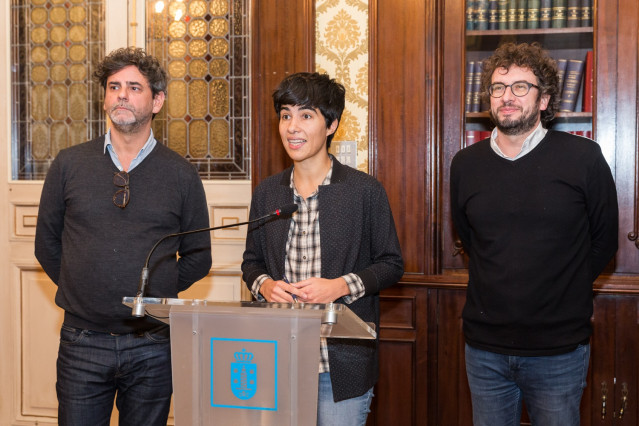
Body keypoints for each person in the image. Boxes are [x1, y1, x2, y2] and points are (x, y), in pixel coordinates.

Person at [34, 47, 212, 426]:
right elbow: (46, 243)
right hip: (82, 340)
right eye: (114, 86)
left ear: (157, 100)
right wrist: (83, 289)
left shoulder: (181, 174)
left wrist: (157, 289)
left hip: (152, 345)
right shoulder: (68, 164)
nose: (121, 95)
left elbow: (199, 255)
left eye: (134, 87)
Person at [450, 42, 618, 426]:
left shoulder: (584, 158)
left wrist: (562, 287)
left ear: (544, 100)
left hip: (558, 349)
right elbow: (471, 240)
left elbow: (604, 241)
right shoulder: (465, 164)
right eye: (498, 87)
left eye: (521, 87)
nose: (507, 97)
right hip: (484, 349)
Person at [241, 72, 404, 426]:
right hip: (278, 356)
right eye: (285, 115)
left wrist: (340, 286)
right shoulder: (268, 193)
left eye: (305, 115)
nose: (292, 127)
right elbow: (250, 263)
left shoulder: (364, 191)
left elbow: (392, 264)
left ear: (331, 125)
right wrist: (265, 286)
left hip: (340, 364)